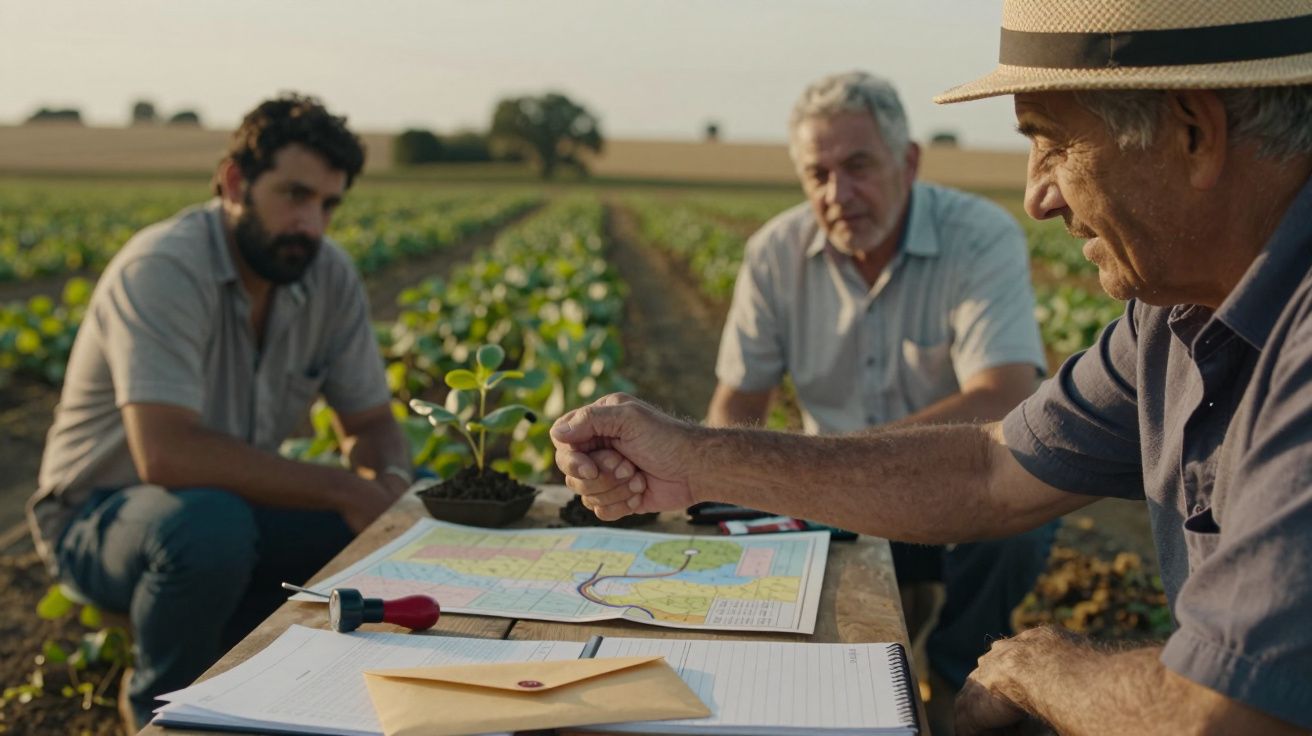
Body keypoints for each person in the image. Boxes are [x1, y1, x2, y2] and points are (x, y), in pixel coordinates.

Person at [550, 1, 1312, 733]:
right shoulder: (1169, 315)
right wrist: (697, 461)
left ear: (1194, 132)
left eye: (1051, 142)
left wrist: (1035, 669)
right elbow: (991, 466)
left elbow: (1225, 713)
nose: (1036, 195)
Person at [26, 94, 411, 729]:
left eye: (327, 204)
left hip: (231, 504)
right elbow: (166, 454)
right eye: (294, 195)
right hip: (102, 515)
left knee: (401, 510)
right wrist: (346, 487)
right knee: (208, 531)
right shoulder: (164, 269)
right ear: (235, 183)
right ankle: (162, 711)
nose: (311, 224)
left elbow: (370, 425)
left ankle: (262, 667)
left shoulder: (327, 274)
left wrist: (391, 484)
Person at [706, 70, 1055, 703]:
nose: (838, 192)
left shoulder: (979, 236)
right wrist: (723, 483)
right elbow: (738, 404)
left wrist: (849, 459)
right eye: (817, 174)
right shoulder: (774, 253)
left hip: (961, 485)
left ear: (909, 161)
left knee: (1023, 517)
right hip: (836, 500)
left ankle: (961, 684)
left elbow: (1005, 392)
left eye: (859, 165)